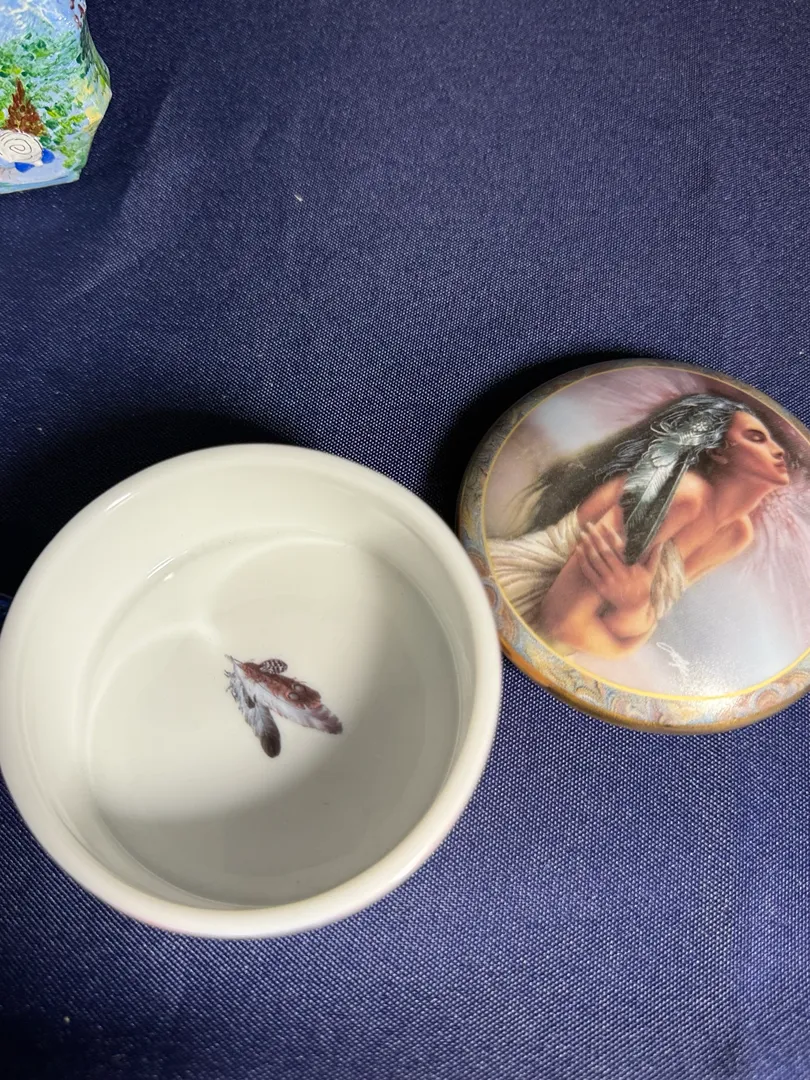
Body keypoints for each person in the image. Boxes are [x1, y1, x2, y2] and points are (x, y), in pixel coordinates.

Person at [488, 394, 790, 660]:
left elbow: (638, 622)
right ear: (718, 452)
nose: (779, 450)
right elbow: (561, 624)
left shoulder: (736, 534)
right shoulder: (684, 496)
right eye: (756, 438)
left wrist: (632, 605)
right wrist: (624, 637)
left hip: (555, 637)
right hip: (512, 598)